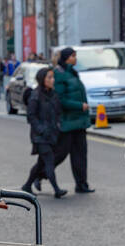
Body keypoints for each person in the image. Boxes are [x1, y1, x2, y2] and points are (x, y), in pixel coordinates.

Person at [20, 67, 66, 198]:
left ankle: (27, 185)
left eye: (53, 77)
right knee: (49, 161)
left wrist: (58, 125)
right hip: (40, 137)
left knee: (41, 163)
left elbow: (58, 112)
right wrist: (41, 129)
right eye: (49, 77)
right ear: (42, 79)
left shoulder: (53, 93)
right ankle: (57, 189)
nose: (53, 80)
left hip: (52, 135)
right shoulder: (35, 95)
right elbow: (31, 116)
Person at [53, 47, 94, 193]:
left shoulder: (73, 73)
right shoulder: (60, 74)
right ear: (66, 58)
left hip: (79, 122)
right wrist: (79, 106)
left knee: (80, 155)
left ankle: (82, 184)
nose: (75, 58)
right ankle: (40, 174)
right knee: (60, 154)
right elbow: (61, 99)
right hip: (67, 122)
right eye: (73, 56)